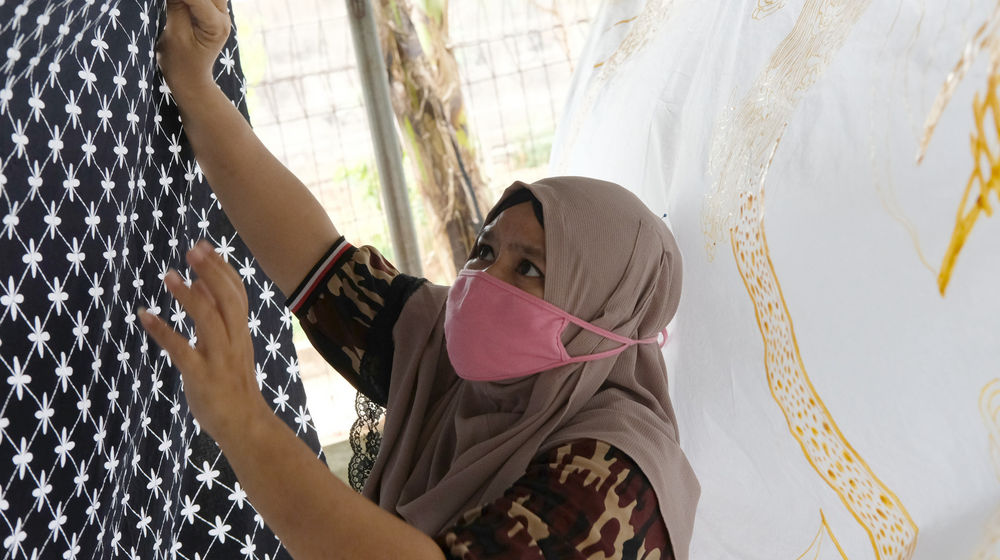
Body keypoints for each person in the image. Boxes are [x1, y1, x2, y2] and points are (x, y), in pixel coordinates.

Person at [139, 0, 700, 558]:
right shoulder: (443, 354)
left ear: (600, 313)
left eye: (529, 267)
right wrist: (194, 82)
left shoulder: (618, 481)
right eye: (483, 250)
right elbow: (314, 257)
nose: (484, 281)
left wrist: (243, 422)